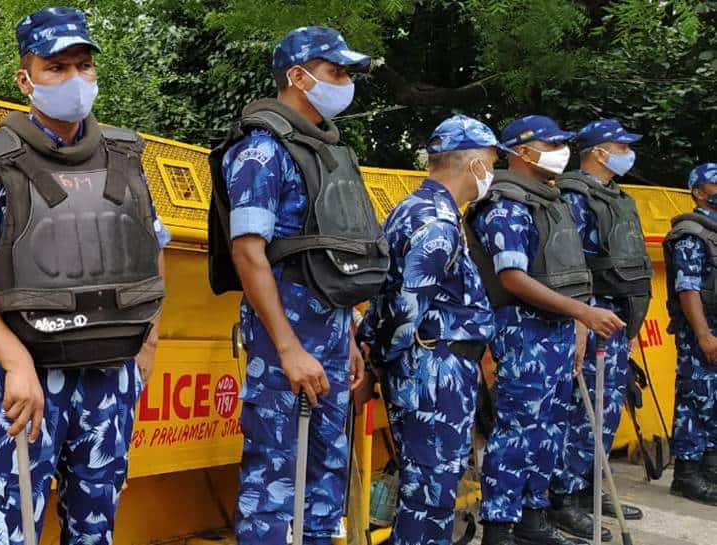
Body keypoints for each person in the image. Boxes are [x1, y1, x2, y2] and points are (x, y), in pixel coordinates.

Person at [0, 7, 170, 544]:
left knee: (96, 528)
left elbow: (150, 248)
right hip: (31, 378)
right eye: (55, 67)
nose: (73, 79)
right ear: (25, 79)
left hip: (112, 376)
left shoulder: (124, 157)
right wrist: (14, 361)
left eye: (83, 65)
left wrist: (148, 347)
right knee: (11, 528)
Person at [208, 26, 387, 545]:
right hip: (282, 335)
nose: (345, 82)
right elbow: (248, 252)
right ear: (297, 75)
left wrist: (349, 337)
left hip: (330, 336)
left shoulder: (327, 150)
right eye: (335, 72)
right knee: (273, 475)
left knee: (327, 468)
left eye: (347, 73)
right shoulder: (262, 150)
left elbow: (330, 262)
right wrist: (287, 349)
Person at [465, 115, 625, 544]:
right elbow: (513, 277)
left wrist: (576, 326)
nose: (561, 151)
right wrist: (583, 313)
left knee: (550, 426)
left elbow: (566, 271)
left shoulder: (548, 200)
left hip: (556, 331)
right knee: (518, 428)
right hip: (521, 329)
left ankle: (534, 520)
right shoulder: (505, 203)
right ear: (521, 150)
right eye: (550, 143)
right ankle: (499, 529)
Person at [358, 114, 502, 544]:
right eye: (492, 162)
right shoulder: (437, 224)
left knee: (427, 488)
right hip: (433, 372)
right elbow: (404, 311)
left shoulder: (412, 207)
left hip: (432, 367)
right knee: (430, 495)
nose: (493, 172)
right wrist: (377, 361)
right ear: (473, 163)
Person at [549, 119, 651, 530]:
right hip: (592, 315)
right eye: (619, 145)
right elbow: (571, 262)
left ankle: (590, 488)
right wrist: (579, 318)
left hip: (617, 316)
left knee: (606, 410)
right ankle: (565, 496)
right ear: (597, 152)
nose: (627, 152)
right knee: (584, 410)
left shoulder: (616, 196)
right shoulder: (574, 195)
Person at [662, 162, 717, 505]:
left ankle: (709, 466)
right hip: (703, 326)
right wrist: (704, 336)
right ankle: (686, 473)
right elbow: (688, 289)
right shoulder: (690, 233)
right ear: (697, 192)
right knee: (696, 397)